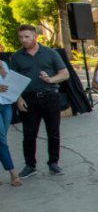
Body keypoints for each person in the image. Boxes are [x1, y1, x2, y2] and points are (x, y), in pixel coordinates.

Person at [10, 24, 69, 178]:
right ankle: (30, 165)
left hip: (50, 97)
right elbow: (13, 81)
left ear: (35, 36)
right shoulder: (16, 57)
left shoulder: (50, 53)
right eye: (21, 37)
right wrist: (19, 99)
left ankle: (53, 163)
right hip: (29, 100)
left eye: (27, 36)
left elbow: (64, 74)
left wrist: (50, 79)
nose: (24, 40)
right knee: (29, 134)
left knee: (53, 132)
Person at [0, 45, 22, 185]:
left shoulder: (4, 64)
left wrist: (3, 73)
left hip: (6, 104)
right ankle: (13, 173)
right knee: (1, 141)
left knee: (1, 139)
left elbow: (10, 84)